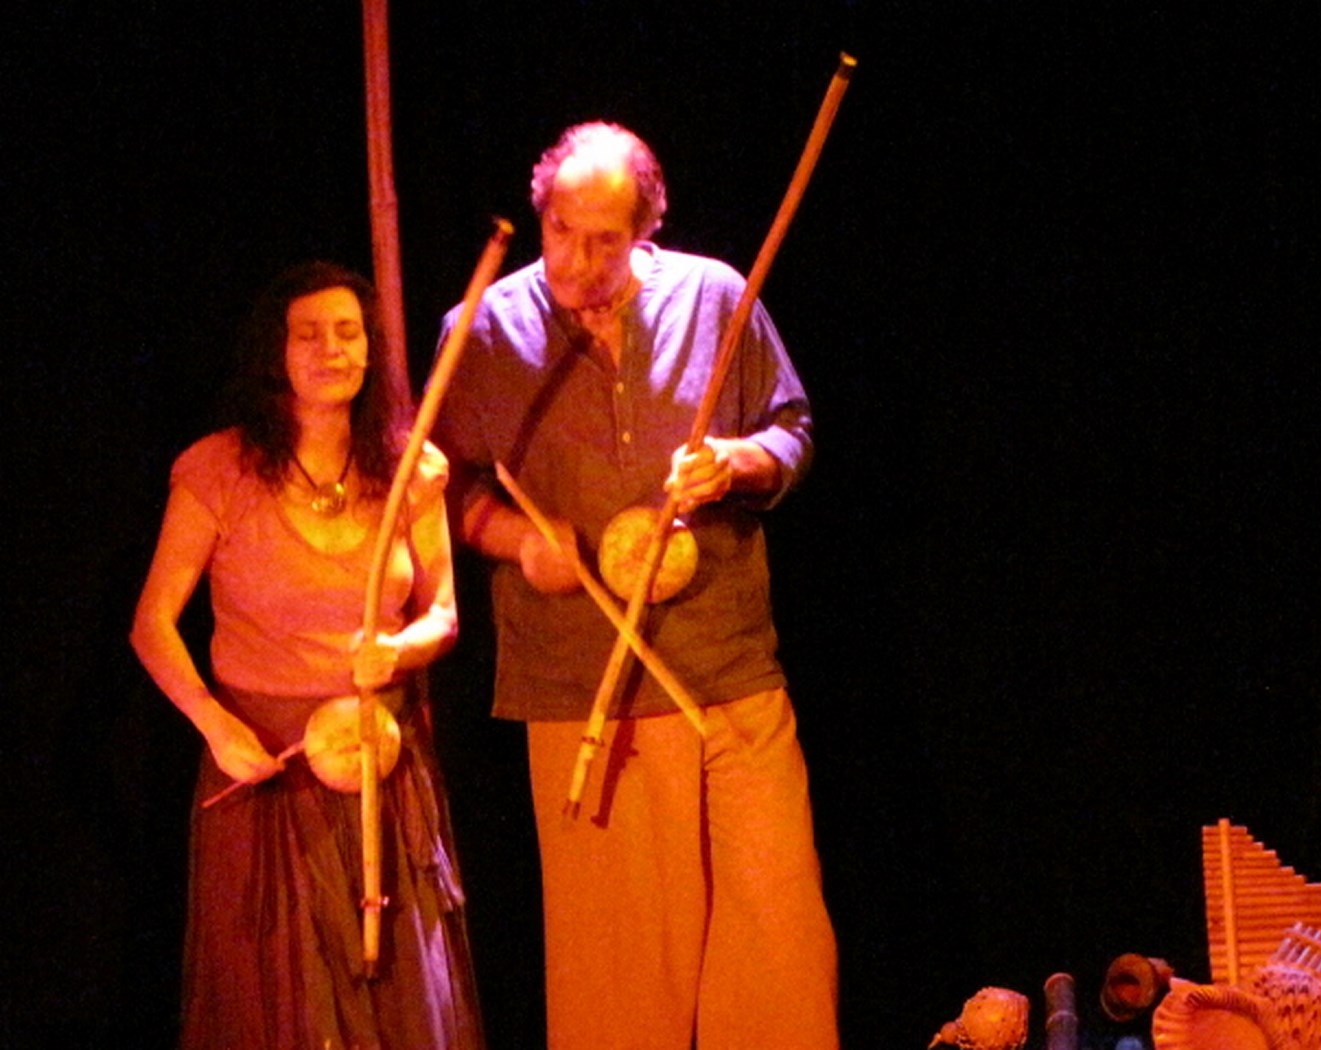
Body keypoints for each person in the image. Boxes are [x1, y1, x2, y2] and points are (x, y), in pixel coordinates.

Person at [433, 122, 838, 1049]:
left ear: (646, 230)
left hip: (726, 665)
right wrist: (516, 541)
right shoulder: (481, 332)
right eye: (562, 233)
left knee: (776, 946)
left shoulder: (716, 298)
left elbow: (791, 430)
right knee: (619, 984)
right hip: (583, 689)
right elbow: (443, 485)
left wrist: (738, 462)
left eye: (605, 241)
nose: (578, 262)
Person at [130, 261, 485, 1050]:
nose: (332, 350)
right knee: (284, 994)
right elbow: (152, 623)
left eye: (348, 333)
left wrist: (398, 648)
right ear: (276, 352)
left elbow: (445, 615)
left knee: (390, 984)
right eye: (309, 335)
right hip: (265, 764)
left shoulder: (411, 467)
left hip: (377, 757)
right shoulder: (217, 469)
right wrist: (215, 726)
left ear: (370, 349)